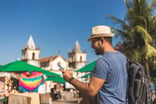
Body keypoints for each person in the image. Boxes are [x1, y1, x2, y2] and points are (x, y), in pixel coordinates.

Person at [61, 25, 128, 104]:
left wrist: (70, 79)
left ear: (101, 40)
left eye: (93, 42)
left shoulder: (103, 61)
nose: (92, 46)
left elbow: (91, 90)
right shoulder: (123, 58)